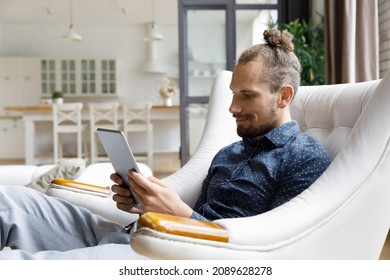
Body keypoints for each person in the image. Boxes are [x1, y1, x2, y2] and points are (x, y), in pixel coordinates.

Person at [0, 29, 330, 259]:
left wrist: (179, 215)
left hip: (178, 260)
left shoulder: (304, 158)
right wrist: (143, 201)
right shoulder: (228, 153)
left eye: (247, 96)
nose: (232, 108)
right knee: (8, 200)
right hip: (140, 235)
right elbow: (194, 214)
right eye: (232, 95)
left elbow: (274, 248)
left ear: (284, 95)